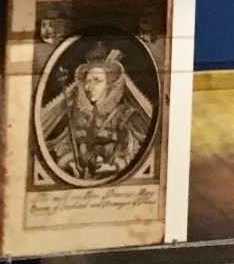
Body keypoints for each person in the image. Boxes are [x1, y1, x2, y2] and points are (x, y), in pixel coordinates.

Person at [40, 41, 153, 182]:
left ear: (110, 85)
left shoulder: (125, 115)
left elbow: (133, 149)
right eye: (88, 81)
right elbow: (64, 144)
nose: (89, 87)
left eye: (97, 81)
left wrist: (115, 167)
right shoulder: (76, 115)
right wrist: (70, 162)